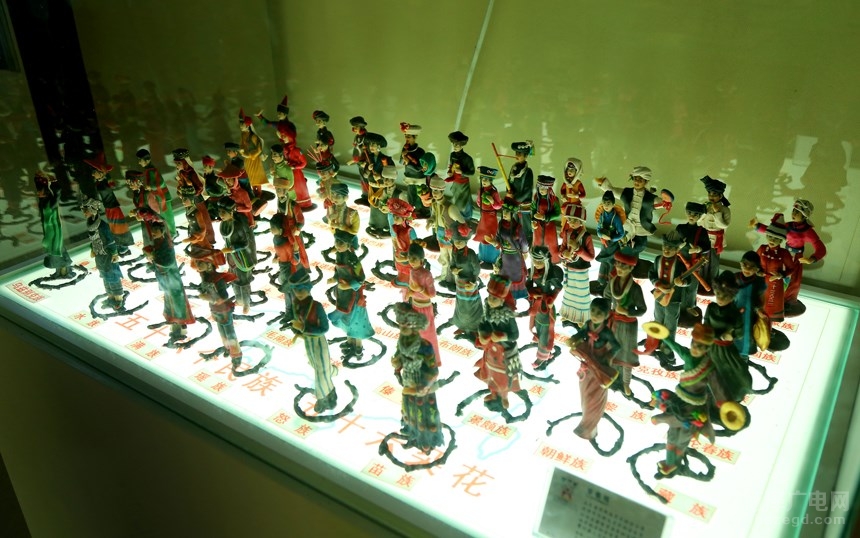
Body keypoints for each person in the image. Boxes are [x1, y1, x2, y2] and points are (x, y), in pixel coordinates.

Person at [651, 323, 727, 477]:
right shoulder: (687, 355)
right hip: (679, 400)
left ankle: (673, 462)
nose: (695, 348)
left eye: (700, 346)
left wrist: (724, 404)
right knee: (672, 435)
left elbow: (717, 387)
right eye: (694, 343)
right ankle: (670, 463)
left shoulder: (709, 367)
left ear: (707, 349)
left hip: (694, 408)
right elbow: (675, 346)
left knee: (683, 438)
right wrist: (664, 336)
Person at [752, 199, 826, 316]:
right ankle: (773, 297)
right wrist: (757, 226)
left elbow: (821, 247)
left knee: (793, 281)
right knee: (776, 276)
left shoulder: (808, 232)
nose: (794, 214)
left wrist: (812, 258)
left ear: (804, 215)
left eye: (797, 212)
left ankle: (787, 301)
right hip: (783, 255)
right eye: (793, 211)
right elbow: (773, 230)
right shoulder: (788, 226)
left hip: (796, 258)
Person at [392, 302, 444, 454]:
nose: (403, 328)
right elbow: (399, 357)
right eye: (401, 325)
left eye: (406, 325)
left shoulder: (425, 345)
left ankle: (427, 440)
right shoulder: (401, 341)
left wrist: (425, 385)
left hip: (423, 386)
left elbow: (433, 370)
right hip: (408, 382)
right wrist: (397, 363)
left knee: (425, 415)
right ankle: (411, 433)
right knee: (408, 411)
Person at [568, 298, 620, 440]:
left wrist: (607, 357)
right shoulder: (588, 324)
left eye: (599, 313)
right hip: (586, 362)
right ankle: (585, 418)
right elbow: (581, 334)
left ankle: (589, 425)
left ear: (606, 315)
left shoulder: (606, 332)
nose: (595, 315)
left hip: (599, 366)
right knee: (584, 392)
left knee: (594, 397)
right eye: (593, 311)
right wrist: (574, 338)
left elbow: (617, 346)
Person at [288, 267, 337, 413]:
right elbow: (299, 323)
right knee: (316, 365)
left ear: (309, 288)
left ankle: (324, 398)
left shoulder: (316, 306)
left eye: (302, 289)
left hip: (318, 341)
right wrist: (299, 333)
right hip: (308, 341)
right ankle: (332, 380)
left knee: (320, 370)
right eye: (296, 290)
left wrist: (303, 328)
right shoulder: (296, 304)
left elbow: (324, 328)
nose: (299, 293)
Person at [475, 274, 523, 410]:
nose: (490, 301)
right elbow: (482, 324)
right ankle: (494, 391)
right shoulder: (488, 309)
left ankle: (504, 396)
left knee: (505, 378)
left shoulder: (507, 315)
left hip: (505, 353)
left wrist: (502, 337)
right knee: (492, 373)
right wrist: (482, 334)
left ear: (502, 300)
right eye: (490, 297)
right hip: (491, 350)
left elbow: (515, 335)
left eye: (494, 298)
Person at [704, 271, 753, 402]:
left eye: (725, 296)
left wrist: (731, 336)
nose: (720, 299)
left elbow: (740, 333)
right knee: (707, 370)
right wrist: (710, 336)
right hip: (710, 346)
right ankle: (709, 393)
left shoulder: (735, 313)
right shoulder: (711, 307)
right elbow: (705, 324)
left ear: (732, 296)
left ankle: (731, 394)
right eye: (718, 294)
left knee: (731, 371)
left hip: (725, 350)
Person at [604, 249, 647, 395]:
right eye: (618, 264)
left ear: (631, 268)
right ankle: (611, 377)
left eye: (624, 266)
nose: (620, 268)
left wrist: (627, 312)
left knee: (627, 354)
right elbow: (606, 296)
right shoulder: (612, 282)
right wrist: (606, 311)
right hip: (614, 322)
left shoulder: (635, 288)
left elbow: (642, 309)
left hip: (628, 325)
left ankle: (626, 382)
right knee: (611, 351)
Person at [144, 221, 196, 340]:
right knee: (169, 299)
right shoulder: (157, 242)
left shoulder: (166, 244)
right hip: (166, 278)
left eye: (156, 231)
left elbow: (168, 262)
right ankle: (174, 322)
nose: (153, 233)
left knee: (177, 299)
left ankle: (181, 323)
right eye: (152, 231)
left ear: (162, 231)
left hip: (171, 278)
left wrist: (153, 258)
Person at [645, 231, 691, 362]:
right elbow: (651, 274)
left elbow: (689, 281)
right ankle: (655, 342)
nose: (666, 249)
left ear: (677, 250)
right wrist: (658, 284)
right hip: (659, 296)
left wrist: (682, 282)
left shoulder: (680, 264)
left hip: (673, 299)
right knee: (658, 319)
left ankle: (667, 347)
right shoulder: (657, 260)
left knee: (670, 323)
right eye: (665, 246)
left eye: (670, 247)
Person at [328, 230, 375, 358]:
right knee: (345, 319)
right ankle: (349, 342)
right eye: (336, 242)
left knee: (355, 320)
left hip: (354, 296)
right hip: (342, 294)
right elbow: (338, 272)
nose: (338, 245)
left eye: (341, 243)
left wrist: (349, 285)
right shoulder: (338, 255)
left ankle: (358, 346)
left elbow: (361, 279)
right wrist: (334, 278)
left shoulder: (353, 259)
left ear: (348, 244)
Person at [190, 250, 242, 366]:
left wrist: (210, 298)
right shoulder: (205, 277)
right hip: (215, 310)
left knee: (229, 332)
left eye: (200, 263)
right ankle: (228, 348)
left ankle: (236, 355)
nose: (198, 265)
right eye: (197, 262)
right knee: (222, 331)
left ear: (209, 264)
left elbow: (224, 296)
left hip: (224, 310)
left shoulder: (218, 279)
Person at [597, 165, 657, 255]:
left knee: (638, 248)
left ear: (646, 181)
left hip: (642, 228)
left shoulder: (650, 197)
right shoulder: (627, 193)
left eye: (640, 180)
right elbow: (613, 191)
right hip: (627, 225)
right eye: (635, 179)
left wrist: (666, 201)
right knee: (619, 247)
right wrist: (603, 184)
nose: (637, 182)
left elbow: (660, 202)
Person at [84, 152, 134, 256]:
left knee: (117, 228)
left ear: (100, 173)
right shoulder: (102, 184)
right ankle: (123, 247)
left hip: (112, 209)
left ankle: (123, 246)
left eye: (94, 172)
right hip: (111, 209)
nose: (93, 174)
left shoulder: (103, 185)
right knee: (116, 228)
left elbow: (108, 197)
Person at [80, 197, 124, 310]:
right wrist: (92, 248)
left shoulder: (102, 225)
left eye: (86, 210)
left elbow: (110, 240)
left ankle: (118, 301)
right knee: (104, 276)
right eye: (84, 210)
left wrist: (114, 253)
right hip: (99, 254)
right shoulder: (91, 224)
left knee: (112, 276)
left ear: (93, 210)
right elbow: (93, 239)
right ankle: (110, 298)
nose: (84, 213)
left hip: (108, 254)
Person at [526, 246, 564, 369]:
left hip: (546, 306)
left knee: (545, 334)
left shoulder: (550, 275)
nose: (536, 264)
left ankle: (542, 356)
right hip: (536, 305)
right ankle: (542, 352)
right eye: (534, 261)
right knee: (537, 326)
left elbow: (558, 287)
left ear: (546, 261)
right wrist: (532, 292)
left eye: (539, 261)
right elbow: (528, 285)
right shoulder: (532, 272)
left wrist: (551, 298)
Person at [426, 174, 466, 290]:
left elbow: (462, 223)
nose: (434, 193)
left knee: (453, 258)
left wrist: (458, 236)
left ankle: (455, 279)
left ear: (442, 191)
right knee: (444, 257)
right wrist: (431, 221)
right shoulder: (434, 204)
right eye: (433, 190)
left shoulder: (450, 207)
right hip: (440, 233)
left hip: (450, 235)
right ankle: (444, 276)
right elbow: (434, 216)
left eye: (437, 191)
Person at [403, 242, 441, 364]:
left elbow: (432, 294)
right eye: (410, 258)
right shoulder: (412, 271)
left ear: (422, 260)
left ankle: (430, 361)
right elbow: (412, 288)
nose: (411, 261)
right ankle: (415, 357)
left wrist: (419, 290)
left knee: (427, 333)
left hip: (425, 308)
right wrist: (409, 293)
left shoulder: (426, 274)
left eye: (414, 258)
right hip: (415, 306)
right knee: (415, 333)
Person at [218, 198, 257, 314]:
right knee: (233, 279)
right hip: (231, 258)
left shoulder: (238, 226)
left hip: (242, 258)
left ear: (231, 212)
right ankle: (239, 299)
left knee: (243, 282)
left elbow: (245, 243)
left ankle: (246, 303)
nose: (221, 215)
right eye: (220, 212)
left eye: (223, 212)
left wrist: (232, 249)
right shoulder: (224, 224)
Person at [558, 204, 594, 327]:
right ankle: (567, 313)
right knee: (568, 293)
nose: (572, 223)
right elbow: (561, 251)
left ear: (581, 221)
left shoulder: (586, 236)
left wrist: (579, 249)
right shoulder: (567, 233)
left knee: (582, 295)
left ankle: (581, 316)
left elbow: (591, 257)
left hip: (581, 270)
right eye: (569, 220)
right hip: (569, 268)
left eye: (575, 220)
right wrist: (564, 254)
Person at [489, 197, 530, 303]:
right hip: (504, 256)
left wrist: (525, 252)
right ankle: (505, 296)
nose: (505, 214)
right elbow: (498, 239)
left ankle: (517, 297)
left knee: (516, 277)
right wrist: (494, 242)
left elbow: (524, 243)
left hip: (515, 258)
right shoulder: (501, 225)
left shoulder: (517, 228)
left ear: (512, 213)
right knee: (504, 276)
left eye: (507, 212)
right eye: (504, 211)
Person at [34, 170, 72, 277]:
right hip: (51, 231)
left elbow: (57, 192)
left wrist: (52, 181)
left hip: (51, 231)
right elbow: (57, 191)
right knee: (57, 248)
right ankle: (63, 268)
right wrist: (49, 180)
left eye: (40, 192)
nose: (38, 194)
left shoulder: (49, 203)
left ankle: (63, 268)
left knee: (56, 248)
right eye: (39, 192)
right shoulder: (45, 202)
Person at [698, 175, 731, 288]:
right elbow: (699, 222)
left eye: (714, 194)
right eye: (709, 194)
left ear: (720, 196)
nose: (711, 196)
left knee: (713, 263)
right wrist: (703, 212)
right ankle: (700, 283)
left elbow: (724, 225)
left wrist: (717, 213)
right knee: (702, 261)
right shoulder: (705, 207)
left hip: (717, 240)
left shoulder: (725, 210)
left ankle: (712, 284)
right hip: (705, 239)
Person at [449, 223, 482, 337]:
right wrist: (453, 270)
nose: (458, 244)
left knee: (472, 306)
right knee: (461, 306)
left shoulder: (471, 253)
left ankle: (475, 327)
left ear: (466, 241)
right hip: (459, 283)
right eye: (456, 241)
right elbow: (452, 264)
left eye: (460, 241)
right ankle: (461, 325)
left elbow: (477, 269)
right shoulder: (454, 251)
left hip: (470, 283)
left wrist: (474, 283)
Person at [734, 251, 767, 358]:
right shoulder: (734, 278)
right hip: (734, 312)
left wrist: (759, 310)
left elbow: (760, 299)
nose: (747, 269)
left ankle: (744, 357)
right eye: (744, 264)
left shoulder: (759, 282)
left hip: (750, 315)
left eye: (752, 266)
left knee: (747, 336)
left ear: (757, 269)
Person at [137, 148, 176, 237]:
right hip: (159, 197)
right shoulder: (148, 171)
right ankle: (169, 232)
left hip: (163, 197)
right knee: (164, 217)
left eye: (140, 160)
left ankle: (173, 233)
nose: (139, 162)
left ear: (147, 160)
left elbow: (161, 183)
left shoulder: (152, 170)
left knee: (168, 217)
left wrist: (150, 187)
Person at [593, 190, 626, 294]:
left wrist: (611, 238)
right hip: (604, 244)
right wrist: (601, 235)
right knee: (603, 263)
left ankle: (611, 285)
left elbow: (621, 233)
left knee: (612, 263)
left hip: (613, 246)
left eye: (608, 203)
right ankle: (601, 283)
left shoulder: (616, 218)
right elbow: (598, 230)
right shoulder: (602, 216)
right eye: (604, 203)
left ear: (613, 204)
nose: (606, 206)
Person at [475, 166, 503, 269]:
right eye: (483, 179)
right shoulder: (481, 190)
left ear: (491, 181)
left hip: (491, 216)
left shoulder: (494, 193)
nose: (484, 181)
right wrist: (480, 203)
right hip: (483, 215)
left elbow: (498, 206)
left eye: (486, 179)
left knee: (491, 235)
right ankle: (482, 254)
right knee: (482, 235)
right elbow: (478, 202)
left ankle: (493, 256)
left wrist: (492, 201)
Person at [508, 141, 535, 247]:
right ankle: (514, 243)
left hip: (523, 203)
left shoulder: (528, 172)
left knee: (525, 225)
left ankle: (527, 244)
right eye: (516, 153)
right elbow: (509, 183)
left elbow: (528, 190)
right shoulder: (513, 168)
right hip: (513, 201)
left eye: (520, 153)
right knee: (513, 222)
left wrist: (517, 199)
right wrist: (508, 192)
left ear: (526, 156)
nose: (517, 155)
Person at [445, 130, 476, 221]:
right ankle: (457, 216)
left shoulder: (467, 158)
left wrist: (462, 172)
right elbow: (451, 166)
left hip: (463, 184)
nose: (455, 147)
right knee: (455, 200)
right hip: (455, 182)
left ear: (462, 145)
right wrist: (450, 172)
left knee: (464, 202)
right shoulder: (452, 155)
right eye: (454, 144)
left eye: (457, 145)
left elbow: (472, 172)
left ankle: (465, 217)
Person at [531, 175, 562, 263]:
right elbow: (533, 209)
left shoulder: (554, 199)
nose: (541, 190)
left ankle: (552, 260)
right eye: (540, 187)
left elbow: (557, 213)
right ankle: (538, 258)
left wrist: (545, 217)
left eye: (544, 188)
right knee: (537, 241)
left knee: (550, 242)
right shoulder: (536, 198)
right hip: (538, 225)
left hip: (549, 225)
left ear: (549, 189)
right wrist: (533, 220)